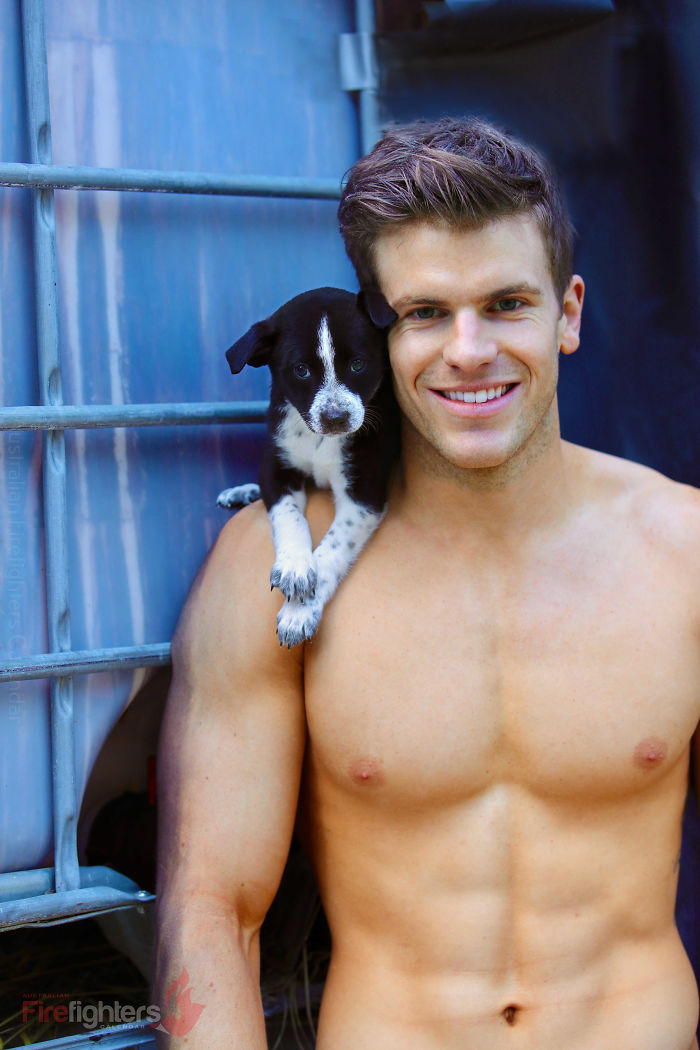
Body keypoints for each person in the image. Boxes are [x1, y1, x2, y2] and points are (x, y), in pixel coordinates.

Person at [153, 117, 700, 1049]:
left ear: (568, 313)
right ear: (373, 327)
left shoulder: (683, 550)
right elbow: (213, 913)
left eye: (507, 304)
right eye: (425, 314)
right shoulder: (273, 568)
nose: (470, 350)